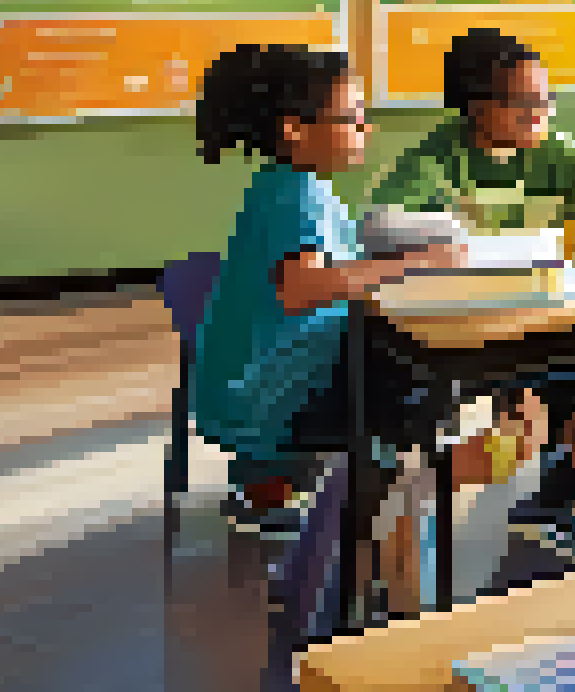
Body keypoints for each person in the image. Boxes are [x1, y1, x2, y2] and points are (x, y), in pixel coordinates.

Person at [188, 43, 513, 615]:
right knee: (413, 386)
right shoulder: (294, 192)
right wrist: (418, 262)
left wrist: (392, 249)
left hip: (267, 383)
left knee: (408, 387)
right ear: (296, 128)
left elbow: (331, 262)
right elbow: (303, 286)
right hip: (269, 398)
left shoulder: (294, 184)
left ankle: (387, 516)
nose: (368, 126)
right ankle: (394, 551)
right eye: (353, 116)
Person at [370, 28, 575, 561]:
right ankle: (406, 499)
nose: (537, 113)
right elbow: (381, 222)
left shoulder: (557, 151)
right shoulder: (436, 157)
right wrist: (445, 233)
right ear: (476, 106)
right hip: (470, 326)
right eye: (521, 102)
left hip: (543, 316)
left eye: (543, 99)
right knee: (524, 437)